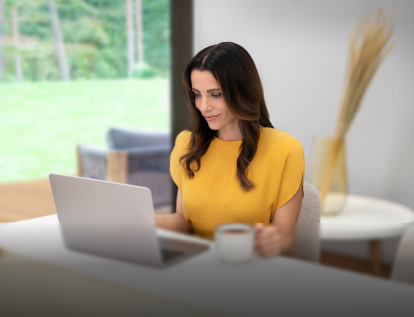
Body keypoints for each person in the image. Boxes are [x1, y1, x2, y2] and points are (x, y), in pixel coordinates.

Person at [155, 42, 304, 258]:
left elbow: (285, 240)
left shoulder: (285, 150)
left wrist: (272, 242)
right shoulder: (187, 145)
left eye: (215, 94)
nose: (203, 106)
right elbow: (184, 222)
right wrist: (143, 218)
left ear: (242, 91)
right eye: (197, 94)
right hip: (193, 267)